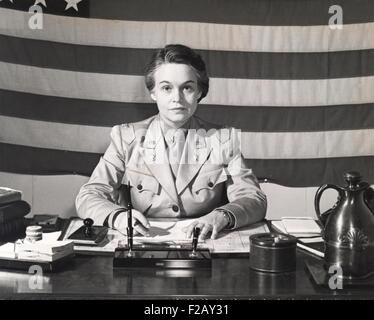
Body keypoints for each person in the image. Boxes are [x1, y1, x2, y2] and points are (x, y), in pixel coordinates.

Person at [76, 44, 267, 240]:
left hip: (204, 244)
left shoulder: (222, 139)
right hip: (146, 245)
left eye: (187, 88)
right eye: (166, 88)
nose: (177, 98)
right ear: (153, 92)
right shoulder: (126, 138)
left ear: (199, 92)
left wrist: (223, 216)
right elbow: (89, 195)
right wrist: (118, 218)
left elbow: (254, 198)